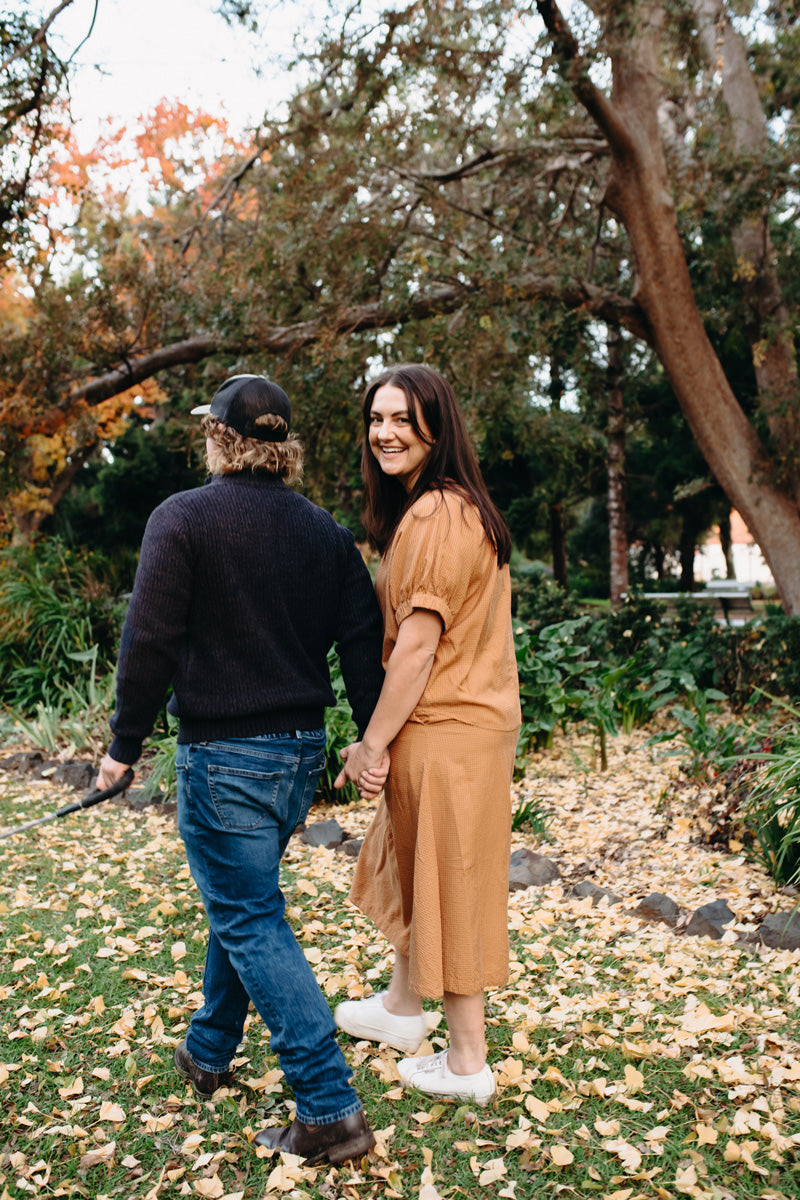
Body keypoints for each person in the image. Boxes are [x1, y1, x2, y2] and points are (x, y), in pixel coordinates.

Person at [96, 374, 387, 1165]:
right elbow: (363, 639)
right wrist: (372, 736)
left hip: (225, 756)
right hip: (297, 757)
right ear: (281, 445)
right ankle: (210, 1049)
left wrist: (123, 749)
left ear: (219, 438)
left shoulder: (183, 519)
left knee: (251, 917)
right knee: (246, 900)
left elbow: (148, 641)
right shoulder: (323, 533)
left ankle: (329, 1108)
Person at [333, 364, 521, 1106]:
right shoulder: (438, 508)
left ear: (435, 429)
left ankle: (468, 1062)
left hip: (448, 727)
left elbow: (416, 648)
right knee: (414, 862)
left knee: (448, 877)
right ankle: (403, 1010)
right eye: (376, 418)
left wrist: (371, 743)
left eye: (402, 419)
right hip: (450, 725)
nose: (385, 432)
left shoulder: (440, 515)